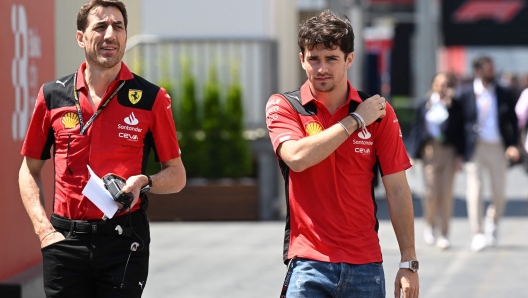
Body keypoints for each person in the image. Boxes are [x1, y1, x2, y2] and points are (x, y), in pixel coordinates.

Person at [18, 1, 186, 297]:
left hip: (124, 239)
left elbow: (177, 175)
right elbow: (29, 170)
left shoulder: (152, 98)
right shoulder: (52, 95)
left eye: (118, 27)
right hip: (64, 239)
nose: (111, 34)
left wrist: (145, 182)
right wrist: (44, 230)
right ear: (80, 37)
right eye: (100, 26)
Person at [265, 10, 419, 298]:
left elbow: (398, 189)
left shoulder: (379, 114)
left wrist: (408, 262)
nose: (321, 68)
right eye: (314, 59)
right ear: (302, 59)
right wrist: (355, 121)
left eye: (331, 58)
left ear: (349, 59)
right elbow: (297, 158)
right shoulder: (285, 106)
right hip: (308, 263)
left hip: (365, 265)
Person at [458, 56, 519, 252]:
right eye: (487, 69)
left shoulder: (503, 92)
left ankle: (493, 222)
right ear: (478, 71)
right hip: (475, 147)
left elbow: (514, 121)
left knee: (499, 192)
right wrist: (459, 152)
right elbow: (459, 125)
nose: (492, 72)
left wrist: (514, 144)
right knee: (474, 190)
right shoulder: (466, 94)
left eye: (492, 69)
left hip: (498, 146)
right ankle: (477, 233)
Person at [407, 72, 465, 250]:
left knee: (446, 194)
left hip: (448, 152)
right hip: (430, 151)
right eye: (439, 84)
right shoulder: (425, 104)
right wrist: (413, 154)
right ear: (433, 85)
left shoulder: (455, 105)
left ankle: (444, 233)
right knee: (431, 193)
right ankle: (430, 222)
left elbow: (461, 130)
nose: (443, 88)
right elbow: (417, 129)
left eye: (446, 84)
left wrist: (460, 156)